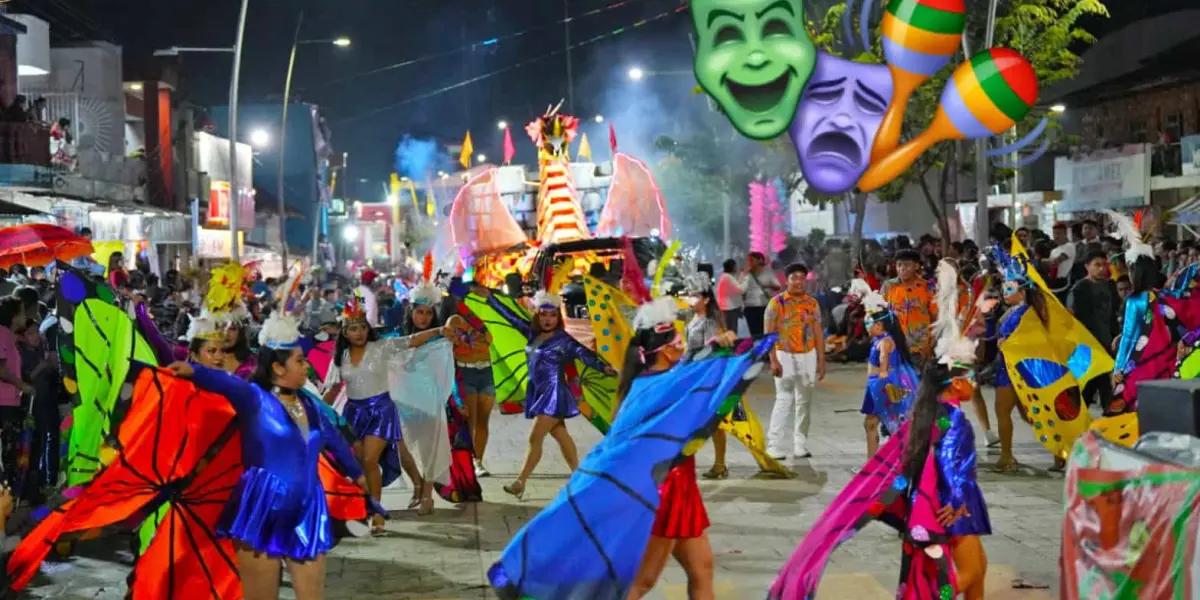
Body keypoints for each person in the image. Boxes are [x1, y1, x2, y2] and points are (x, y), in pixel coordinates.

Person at [166, 309, 370, 600]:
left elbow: (332, 439)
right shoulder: (254, 399)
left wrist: (357, 473)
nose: (307, 366)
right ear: (278, 368)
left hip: (308, 508)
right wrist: (192, 371)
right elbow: (226, 383)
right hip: (261, 507)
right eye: (300, 361)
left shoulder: (309, 406)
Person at [619, 297, 738, 600]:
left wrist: (717, 344)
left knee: (702, 569)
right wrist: (722, 347)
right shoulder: (660, 386)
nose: (683, 345)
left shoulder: (658, 380)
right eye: (678, 340)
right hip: (665, 491)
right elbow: (698, 373)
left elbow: (693, 367)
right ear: (667, 348)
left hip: (682, 487)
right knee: (641, 582)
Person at [472, 285, 613, 499]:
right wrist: (491, 299)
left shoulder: (564, 340)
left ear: (558, 317)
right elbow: (510, 317)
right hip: (538, 391)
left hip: (554, 393)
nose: (548, 319)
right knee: (561, 435)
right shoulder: (533, 333)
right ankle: (579, 479)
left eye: (553, 315)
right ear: (538, 315)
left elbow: (583, 353)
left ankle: (521, 482)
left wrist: (603, 367)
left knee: (534, 438)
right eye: (544, 314)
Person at [765, 263, 824, 460]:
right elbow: (769, 335)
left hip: (808, 354)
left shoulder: (812, 303)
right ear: (787, 280)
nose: (799, 282)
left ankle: (800, 444)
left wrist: (822, 361)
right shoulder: (776, 303)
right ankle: (774, 445)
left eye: (802, 278)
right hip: (784, 354)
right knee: (783, 398)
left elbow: (818, 333)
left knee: (804, 401)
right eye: (794, 278)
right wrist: (773, 360)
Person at [442, 294, 496, 477]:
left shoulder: (479, 321)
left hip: (486, 373)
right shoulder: (454, 320)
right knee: (471, 422)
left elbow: (489, 339)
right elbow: (458, 347)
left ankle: (478, 461)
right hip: (467, 374)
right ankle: (470, 461)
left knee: (483, 421)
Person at [1067, 250, 1119, 414]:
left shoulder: (1110, 286)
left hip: (1107, 345)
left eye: (1104, 265)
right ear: (1087, 266)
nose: (1102, 268)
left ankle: (1111, 426)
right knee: (1082, 391)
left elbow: (1113, 315)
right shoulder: (1079, 288)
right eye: (1097, 265)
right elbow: (1073, 319)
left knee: (1107, 392)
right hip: (1086, 348)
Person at [882, 249, 937, 368]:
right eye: (899, 265)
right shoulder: (888, 286)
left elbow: (935, 316)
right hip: (894, 344)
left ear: (916, 266)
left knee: (918, 382)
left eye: (907, 265)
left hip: (919, 346)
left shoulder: (927, 287)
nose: (902, 268)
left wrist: (932, 343)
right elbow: (880, 313)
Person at [742, 251, 781, 337]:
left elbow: (778, 286)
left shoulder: (768, 273)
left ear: (759, 260)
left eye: (752, 260)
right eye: (749, 260)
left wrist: (767, 286)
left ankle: (765, 348)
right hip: (750, 308)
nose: (750, 262)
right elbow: (741, 290)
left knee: (765, 331)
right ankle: (757, 347)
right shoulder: (746, 275)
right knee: (754, 333)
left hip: (764, 307)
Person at [715, 259, 745, 332]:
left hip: (727, 309)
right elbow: (740, 289)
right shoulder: (727, 277)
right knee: (732, 332)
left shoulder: (726, 276)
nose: (736, 268)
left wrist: (742, 274)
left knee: (731, 331)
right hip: (729, 310)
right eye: (735, 266)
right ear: (733, 267)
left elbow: (737, 285)